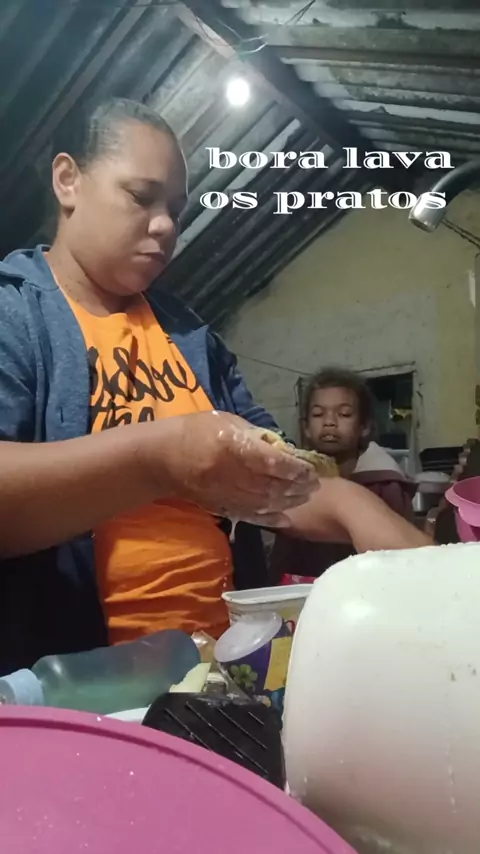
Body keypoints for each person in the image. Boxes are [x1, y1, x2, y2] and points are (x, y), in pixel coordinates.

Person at [0, 98, 430, 675]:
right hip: (80, 690)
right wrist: (158, 460)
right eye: (141, 196)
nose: (166, 226)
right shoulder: (16, 316)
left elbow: (278, 474)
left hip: (220, 672)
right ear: (68, 180)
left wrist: (357, 506)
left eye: (175, 209)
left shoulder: (189, 336)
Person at [269, 367, 417, 583]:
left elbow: (402, 559)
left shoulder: (386, 484)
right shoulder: (293, 482)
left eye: (344, 414)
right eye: (318, 414)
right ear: (306, 428)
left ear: (364, 427)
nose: (329, 422)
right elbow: (283, 558)